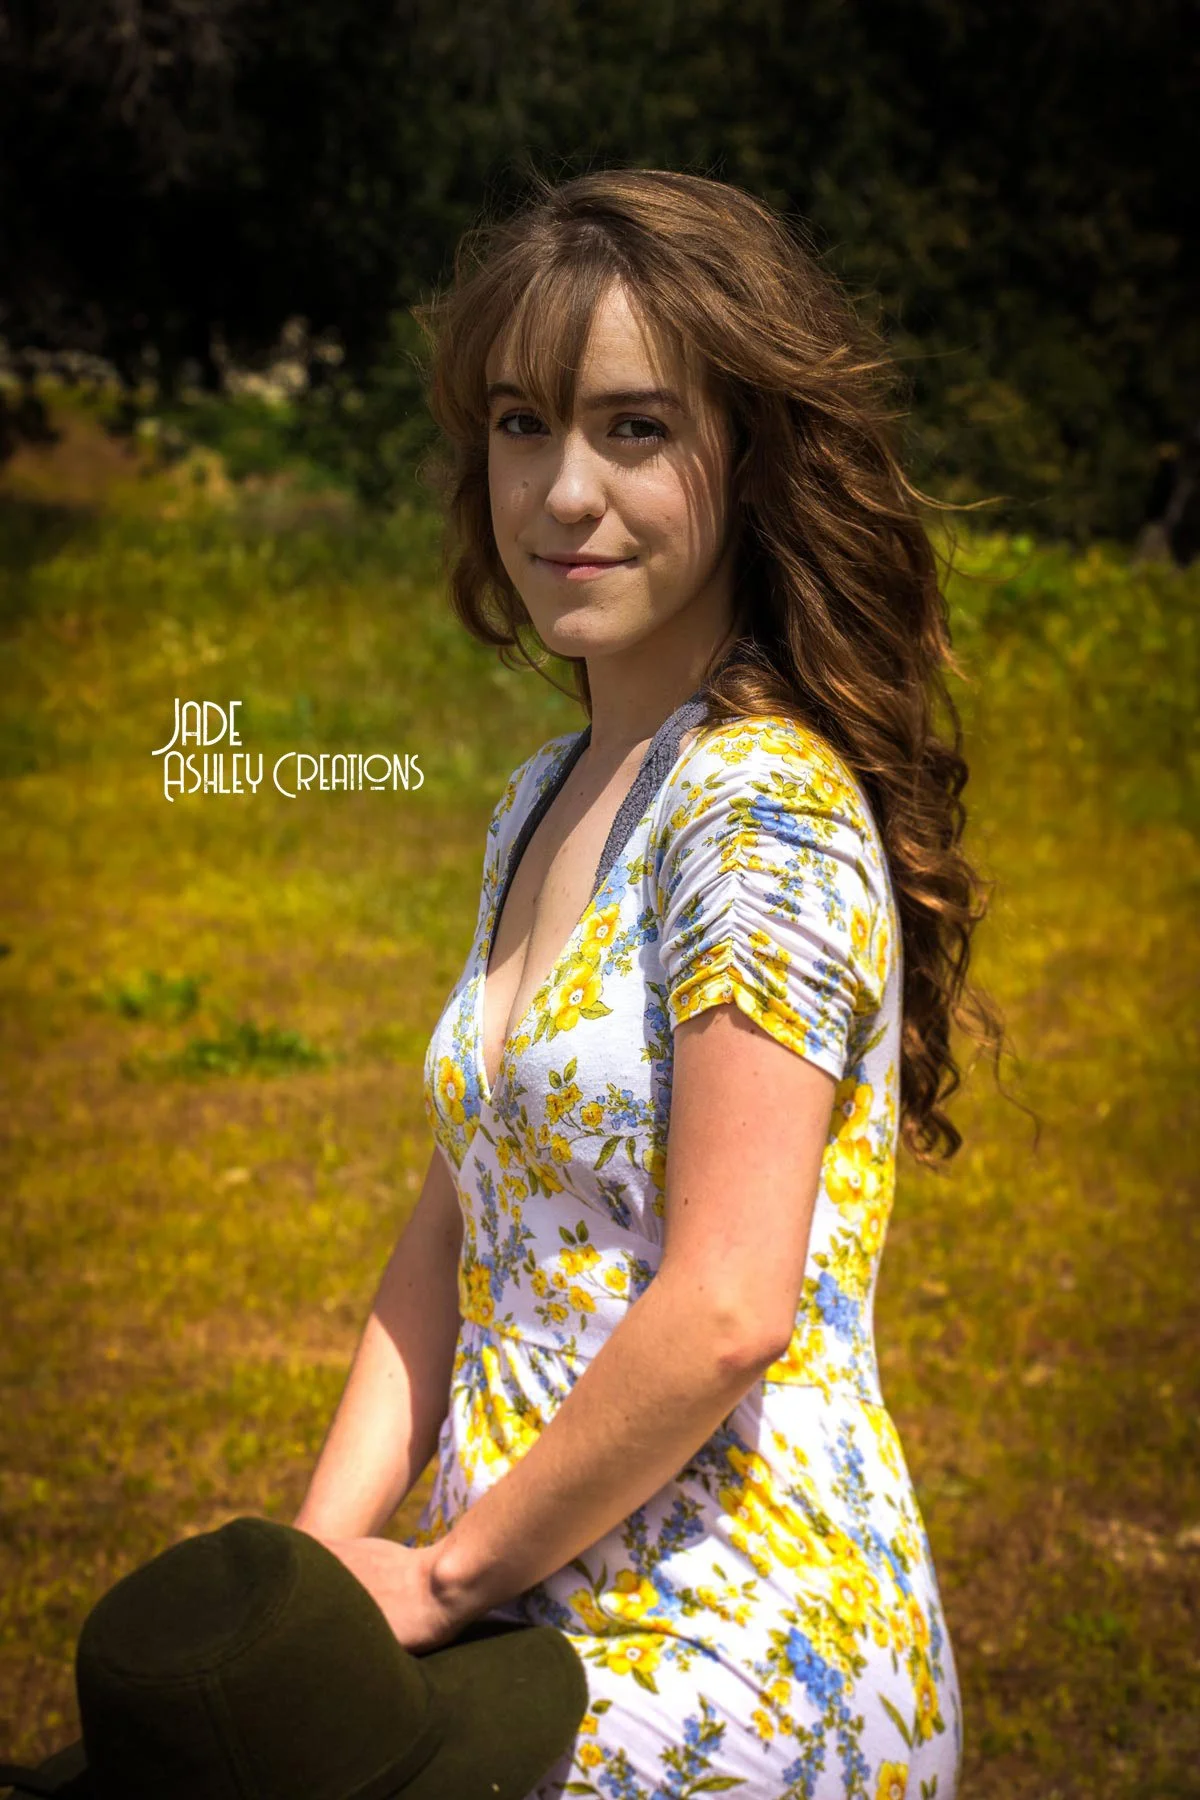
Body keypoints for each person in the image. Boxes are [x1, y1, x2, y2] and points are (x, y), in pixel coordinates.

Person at [293, 168, 1005, 1799]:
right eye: (521, 423)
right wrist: (318, 1569)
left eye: (630, 428)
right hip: (528, 1601)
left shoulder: (757, 807)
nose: (559, 492)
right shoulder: (540, 795)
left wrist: (448, 1574)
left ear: (747, 457)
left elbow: (731, 1307)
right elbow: (458, 1214)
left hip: (729, 1647)